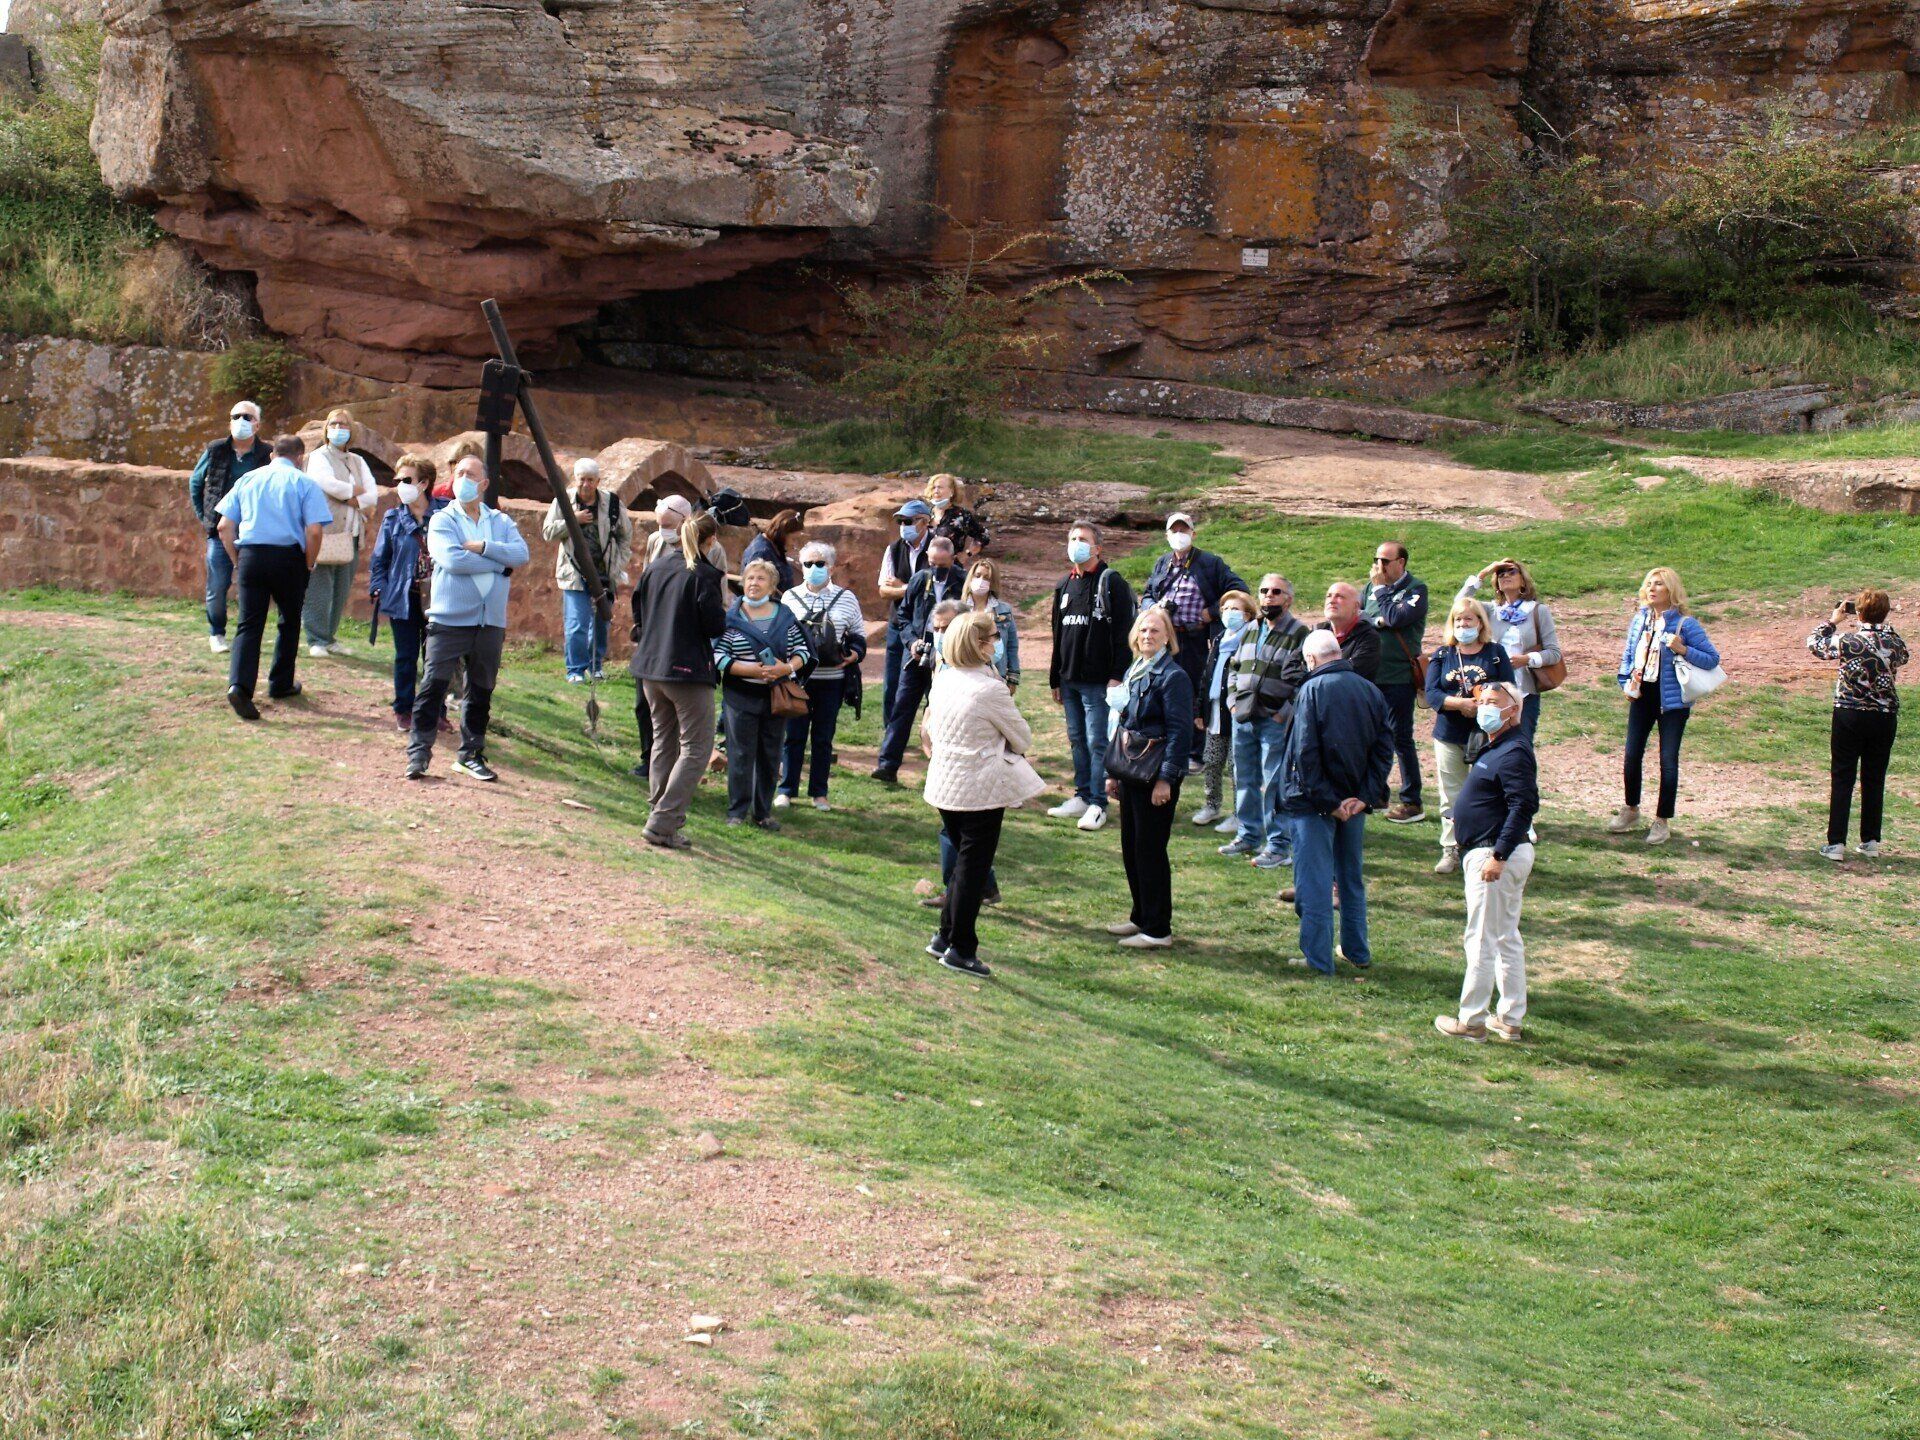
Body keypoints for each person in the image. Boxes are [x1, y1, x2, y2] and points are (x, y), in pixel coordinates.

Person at [921, 611, 1043, 977]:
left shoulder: (944, 679)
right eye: (993, 637)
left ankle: (945, 936)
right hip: (980, 789)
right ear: (979, 644)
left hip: (945, 783)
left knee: (964, 865)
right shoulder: (990, 689)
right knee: (972, 870)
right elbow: (1023, 737)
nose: (997, 642)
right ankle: (961, 948)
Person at [406, 456, 531, 782]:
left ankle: (471, 755)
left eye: (470, 474)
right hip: (449, 620)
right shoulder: (442, 520)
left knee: (481, 690)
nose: (463, 479)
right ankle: (418, 753)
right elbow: (452, 560)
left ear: (484, 483)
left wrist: (483, 546)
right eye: (459, 473)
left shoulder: (500, 522)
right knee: (433, 685)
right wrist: (499, 563)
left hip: (490, 622)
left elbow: (521, 554)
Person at [1281, 630, 1395, 975]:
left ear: (1311, 659)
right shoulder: (1370, 690)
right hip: (1353, 802)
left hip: (1313, 803)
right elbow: (1383, 750)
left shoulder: (1311, 690)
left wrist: (1327, 801)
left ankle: (1318, 960)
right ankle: (1357, 951)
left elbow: (1305, 752)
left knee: (1314, 883)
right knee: (1350, 878)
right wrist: (1364, 797)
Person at [1434, 681, 1540, 1042]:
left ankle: (1471, 1021)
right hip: (1493, 851)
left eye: (1494, 702)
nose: (1485, 708)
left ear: (1514, 711)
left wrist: (1499, 855)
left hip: (1494, 856)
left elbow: (1523, 805)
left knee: (1481, 938)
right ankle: (1509, 1018)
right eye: (1482, 702)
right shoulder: (1499, 745)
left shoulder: (1514, 751)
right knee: (1505, 937)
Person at [215, 434, 333, 721]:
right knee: (289, 621)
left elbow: (224, 526)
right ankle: (280, 683)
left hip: (252, 555)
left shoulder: (248, 479)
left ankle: (239, 686)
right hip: (289, 558)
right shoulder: (305, 483)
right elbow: (314, 530)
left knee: (249, 623)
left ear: (272, 455)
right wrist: (309, 562)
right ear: (300, 458)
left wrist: (237, 560)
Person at [630, 510, 728, 850]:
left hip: (650, 667)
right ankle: (662, 821)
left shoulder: (656, 567)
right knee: (696, 749)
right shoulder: (703, 574)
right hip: (686, 671)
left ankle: (661, 816)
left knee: (664, 741)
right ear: (710, 541)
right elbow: (714, 625)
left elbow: (638, 611)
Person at [1103, 608, 1195, 950]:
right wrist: (1113, 773)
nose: (1148, 635)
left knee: (1150, 851)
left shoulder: (1173, 677)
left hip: (1155, 775)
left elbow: (1180, 733)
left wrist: (1166, 779)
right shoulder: (1136, 670)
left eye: (1155, 630)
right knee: (1132, 847)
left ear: (1168, 637)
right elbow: (1124, 723)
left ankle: (1157, 929)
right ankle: (1141, 915)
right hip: (1131, 772)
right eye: (1143, 630)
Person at [1611, 567, 1720, 845]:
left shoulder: (1686, 624)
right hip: (1642, 696)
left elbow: (1712, 659)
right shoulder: (1640, 620)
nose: (1652, 588)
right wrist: (1625, 682)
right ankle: (1631, 809)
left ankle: (1662, 820)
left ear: (1670, 589)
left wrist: (1683, 649)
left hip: (1672, 703)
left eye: (1658, 584)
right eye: (1649, 583)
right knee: (1631, 755)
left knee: (1667, 760)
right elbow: (1628, 655)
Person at [1047, 520, 1135, 833]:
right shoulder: (1064, 584)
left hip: (1098, 681)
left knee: (1097, 741)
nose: (1076, 544)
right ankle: (1082, 794)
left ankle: (1099, 802)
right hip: (1068, 678)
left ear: (1097, 547)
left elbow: (1124, 633)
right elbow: (1057, 633)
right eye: (1072, 538)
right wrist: (1055, 678)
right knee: (1076, 739)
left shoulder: (1111, 582)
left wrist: (1116, 675)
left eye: (1083, 539)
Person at [714, 558, 812, 829]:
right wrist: (748, 670)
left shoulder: (785, 616)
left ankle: (762, 812)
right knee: (740, 755)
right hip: (740, 695)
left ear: (772, 586)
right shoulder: (731, 617)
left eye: (760, 579)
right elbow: (718, 655)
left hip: (775, 696)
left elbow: (803, 651)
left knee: (770, 755)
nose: (753, 583)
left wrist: (786, 668)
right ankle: (737, 811)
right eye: (749, 578)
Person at [1142, 512, 1247, 765]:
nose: (1179, 535)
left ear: (1193, 534)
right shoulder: (1162, 563)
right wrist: (1154, 608)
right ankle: (1163, 745)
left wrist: (1212, 612)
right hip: (1164, 639)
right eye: (1174, 531)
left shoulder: (1210, 563)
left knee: (1192, 692)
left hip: (1194, 638)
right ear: (1167, 535)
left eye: (1184, 530)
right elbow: (1147, 594)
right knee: (1161, 690)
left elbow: (1239, 589)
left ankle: (1194, 752)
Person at [1809, 589, 1907, 861]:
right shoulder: (1893, 643)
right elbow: (1904, 655)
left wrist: (1832, 621)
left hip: (1849, 713)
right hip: (1884, 715)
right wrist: (1885, 627)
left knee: (1843, 776)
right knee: (1874, 777)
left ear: (1859, 613)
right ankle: (1870, 840)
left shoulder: (1848, 641)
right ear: (1885, 614)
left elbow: (1815, 644)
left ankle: (1836, 843)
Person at [1222, 574, 1310, 870]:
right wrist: (1232, 702)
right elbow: (1234, 668)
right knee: (1244, 778)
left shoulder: (1299, 633)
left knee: (1274, 782)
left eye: (1276, 591)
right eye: (1264, 591)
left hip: (1274, 720)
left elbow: (1303, 680)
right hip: (1243, 717)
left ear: (1288, 599)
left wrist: (1283, 713)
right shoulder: (1250, 628)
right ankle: (1248, 835)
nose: (1269, 596)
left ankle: (1278, 845)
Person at [1426, 597, 1517, 874]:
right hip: (1449, 733)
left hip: (1488, 734)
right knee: (1451, 794)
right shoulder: (1443, 654)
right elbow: (1432, 693)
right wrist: (1460, 704)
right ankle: (1451, 848)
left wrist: (1484, 705)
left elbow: (1509, 689)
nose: (1463, 624)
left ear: (1480, 622)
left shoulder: (1495, 653)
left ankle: (1493, 847)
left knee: (1490, 791)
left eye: (1469, 619)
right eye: (1458, 619)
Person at [778, 541, 866, 811]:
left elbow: (858, 633)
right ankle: (786, 789)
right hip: (798, 679)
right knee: (793, 736)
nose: (814, 568)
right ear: (801, 567)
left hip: (832, 680)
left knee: (823, 738)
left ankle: (819, 793)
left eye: (820, 563)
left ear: (831, 567)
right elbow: (780, 633)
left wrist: (854, 653)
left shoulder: (847, 598)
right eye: (808, 564)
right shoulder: (789, 597)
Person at [872, 535, 965, 783]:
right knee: (901, 708)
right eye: (932, 563)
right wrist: (911, 642)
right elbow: (902, 616)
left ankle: (945, 769)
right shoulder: (920, 579)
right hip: (915, 656)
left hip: (947, 659)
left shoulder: (962, 581)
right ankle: (887, 765)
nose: (936, 569)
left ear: (953, 560)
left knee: (944, 713)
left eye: (942, 565)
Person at [188, 398, 271, 654]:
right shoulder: (216, 449)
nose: (240, 422)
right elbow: (196, 483)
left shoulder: (266, 454)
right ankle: (217, 632)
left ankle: (247, 636)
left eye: (247, 417)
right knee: (217, 585)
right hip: (219, 531)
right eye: (236, 417)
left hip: (253, 532)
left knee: (253, 587)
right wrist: (205, 517)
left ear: (257, 425)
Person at [368, 454, 442, 731]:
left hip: (439, 597)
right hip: (405, 595)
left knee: (436, 658)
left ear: (424, 483)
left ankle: (436, 712)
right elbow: (380, 559)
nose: (401, 485)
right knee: (406, 656)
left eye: (407, 479)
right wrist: (378, 586)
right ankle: (404, 709)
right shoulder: (393, 518)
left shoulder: (445, 514)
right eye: (398, 479)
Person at [542, 457, 631, 683]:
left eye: (591, 480)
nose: (586, 485)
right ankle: (575, 670)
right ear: (575, 480)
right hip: (574, 571)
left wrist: (618, 564)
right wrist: (573, 520)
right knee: (577, 624)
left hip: (604, 572)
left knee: (601, 623)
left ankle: (595, 665)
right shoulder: (563, 501)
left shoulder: (611, 503)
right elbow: (548, 532)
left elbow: (625, 536)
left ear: (598, 481)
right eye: (582, 479)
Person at [1453, 557, 1561, 740]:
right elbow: (1460, 604)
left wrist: (1526, 659)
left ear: (1523, 581)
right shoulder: (1492, 610)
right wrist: (1484, 573)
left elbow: (1554, 653)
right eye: (1501, 574)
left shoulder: (1538, 610)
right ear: (1497, 584)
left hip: (1524, 692)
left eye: (1512, 572)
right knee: (1489, 745)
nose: (1505, 576)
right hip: (1491, 691)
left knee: (1520, 743)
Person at [301, 407, 378, 658]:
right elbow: (326, 483)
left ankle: (329, 637)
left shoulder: (358, 461)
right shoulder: (318, 457)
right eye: (333, 424)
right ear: (326, 429)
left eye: (343, 424)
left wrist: (352, 498)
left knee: (341, 588)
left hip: (352, 533)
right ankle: (316, 638)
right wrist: (354, 495)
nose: (338, 429)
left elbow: (372, 494)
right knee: (320, 586)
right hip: (326, 531)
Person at [1362, 541, 1430, 824]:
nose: (1379, 566)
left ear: (1401, 562)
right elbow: (1362, 619)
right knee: (1371, 735)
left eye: (1385, 561)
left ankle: (1412, 801)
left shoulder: (1416, 589)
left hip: (1399, 676)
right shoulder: (1368, 588)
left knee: (1400, 738)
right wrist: (1379, 621)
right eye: (1376, 559)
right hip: (1370, 674)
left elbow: (1397, 617)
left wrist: (1381, 597)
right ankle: (1377, 793)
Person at [1194, 589, 1255, 830]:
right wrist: (1200, 710)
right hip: (1215, 711)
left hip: (1238, 713)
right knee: (1211, 761)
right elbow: (1207, 674)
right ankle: (1212, 805)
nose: (1229, 613)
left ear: (1247, 615)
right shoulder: (1219, 639)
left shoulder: (1250, 639)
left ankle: (1240, 814)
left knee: (1236, 766)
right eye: (1226, 609)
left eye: (1235, 609)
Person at [878, 499, 934, 726]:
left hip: (929, 625)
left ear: (925, 522)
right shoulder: (893, 549)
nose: (903, 526)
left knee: (933, 682)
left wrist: (901, 587)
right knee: (892, 681)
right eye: (900, 521)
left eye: (908, 521)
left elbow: (935, 588)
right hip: (898, 624)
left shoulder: (939, 547)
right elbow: (883, 590)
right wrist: (913, 588)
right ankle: (891, 732)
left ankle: (932, 732)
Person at [961, 557, 1019, 691]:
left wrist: (1013, 676)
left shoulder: (1004, 610)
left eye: (986, 578)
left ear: (993, 583)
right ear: (971, 578)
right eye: (977, 576)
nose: (981, 580)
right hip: (966, 676)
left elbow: (1012, 645)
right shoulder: (959, 609)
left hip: (996, 676)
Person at [1318, 582, 1380, 680]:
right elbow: (1293, 666)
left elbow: (1349, 675)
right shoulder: (1317, 633)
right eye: (1328, 596)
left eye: (1339, 596)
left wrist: (1313, 672)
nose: (1332, 601)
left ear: (1356, 607)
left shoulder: (1368, 638)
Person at [927, 472, 990, 559]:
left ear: (952, 491)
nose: (936, 491)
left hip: (950, 565)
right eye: (933, 487)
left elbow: (983, 535)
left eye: (940, 487)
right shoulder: (925, 513)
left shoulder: (962, 515)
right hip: (923, 565)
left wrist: (967, 553)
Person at [742, 509, 802, 596]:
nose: (794, 544)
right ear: (782, 534)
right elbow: (756, 590)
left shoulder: (776, 547)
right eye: (793, 539)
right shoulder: (761, 553)